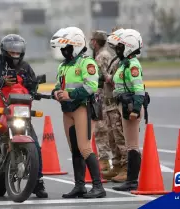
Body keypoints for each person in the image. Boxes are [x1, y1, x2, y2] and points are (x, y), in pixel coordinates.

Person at [0, 34, 48, 200]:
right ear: (5, 50)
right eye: (11, 50)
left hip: (20, 110)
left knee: (36, 146)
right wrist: (1, 82)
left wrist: (35, 91)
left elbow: (32, 83)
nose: (15, 53)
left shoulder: (25, 67)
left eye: (17, 49)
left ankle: (38, 182)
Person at [50, 26, 106, 199]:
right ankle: (79, 186)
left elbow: (91, 86)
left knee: (84, 148)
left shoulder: (86, 63)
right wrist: (56, 93)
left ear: (75, 46)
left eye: (66, 48)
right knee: (74, 149)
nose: (63, 51)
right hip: (67, 110)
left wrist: (71, 94)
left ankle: (98, 186)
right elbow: (59, 85)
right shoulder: (63, 66)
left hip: (82, 108)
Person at [107, 29, 145, 191]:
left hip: (130, 107)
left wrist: (135, 110)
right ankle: (131, 179)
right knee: (130, 144)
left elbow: (139, 90)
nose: (117, 49)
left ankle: (132, 181)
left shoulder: (132, 65)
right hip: (123, 105)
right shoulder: (125, 63)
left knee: (132, 146)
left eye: (120, 46)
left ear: (128, 47)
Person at [90, 30, 127, 182]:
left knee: (116, 134)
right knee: (110, 134)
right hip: (103, 98)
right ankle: (116, 165)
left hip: (110, 99)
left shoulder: (104, 56)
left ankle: (125, 167)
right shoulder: (104, 56)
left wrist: (104, 78)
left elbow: (108, 78)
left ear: (95, 41)